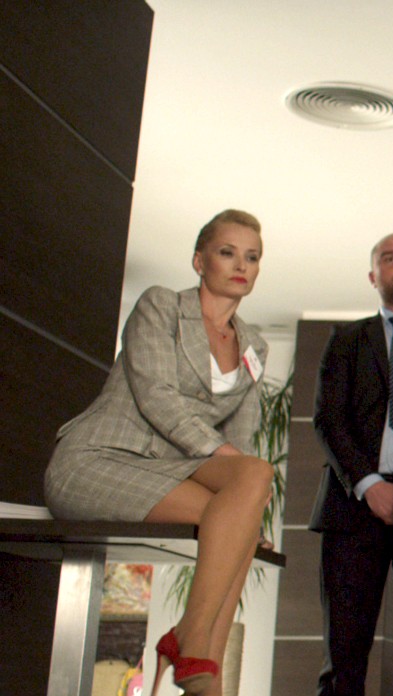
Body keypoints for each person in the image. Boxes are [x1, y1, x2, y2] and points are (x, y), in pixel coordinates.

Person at [44, 209, 274, 696]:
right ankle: (193, 645)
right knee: (241, 507)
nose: (241, 265)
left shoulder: (254, 346)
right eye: (227, 252)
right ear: (199, 261)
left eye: (252, 257)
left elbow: (244, 439)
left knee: (247, 498)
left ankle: (201, 665)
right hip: (99, 461)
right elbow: (157, 399)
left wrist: (249, 504)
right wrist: (237, 481)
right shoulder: (161, 306)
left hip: (165, 474)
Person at [309, 233, 393, 696]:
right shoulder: (346, 339)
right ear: (372, 275)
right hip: (352, 508)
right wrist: (369, 484)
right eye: (390, 258)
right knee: (343, 654)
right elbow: (328, 420)